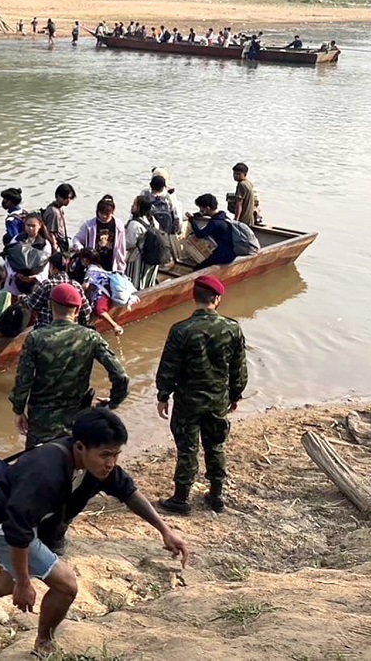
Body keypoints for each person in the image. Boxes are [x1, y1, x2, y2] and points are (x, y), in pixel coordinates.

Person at [0, 409, 189, 656]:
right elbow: (17, 529)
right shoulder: (45, 471)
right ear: (80, 447)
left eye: (116, 454)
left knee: (6, 582)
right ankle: (44, 642)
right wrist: (24, 583)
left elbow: (128, 492)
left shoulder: (96, 466)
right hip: (3, 525)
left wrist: (165, 531)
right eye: (105, 455)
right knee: (66, 585)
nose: (111, 463)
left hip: (29, 522)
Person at [156, 275, 247, 514]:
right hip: (217, 398)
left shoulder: (181, 330)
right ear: (216, 299)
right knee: (215, 445)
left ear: (193, 297)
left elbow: (168, 366)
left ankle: (181, 499)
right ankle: (216, 495)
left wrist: (163, 395)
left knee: (187, 448)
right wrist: (235, 394)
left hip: (188, 400)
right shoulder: (232, 328)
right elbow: (238, 367)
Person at [10, 283, 129, 451]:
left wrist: (18, 410)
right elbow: (121, 376)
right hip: (78, 422)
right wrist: (113, 403)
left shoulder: (35, 338)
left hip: (41, 422)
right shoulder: (91, 337)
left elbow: (23, 379)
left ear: (50, 305)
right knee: (74, 461)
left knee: (37, 462)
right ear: (78, 310)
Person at [26, 252, 90, 328]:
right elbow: (86, 311)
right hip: (71, 330)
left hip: (46, 330)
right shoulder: (76, 286)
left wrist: (23, 298)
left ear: (53, 267)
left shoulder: (47, 284)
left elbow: (32, 305)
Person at [73, 195, 126, 273]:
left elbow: (121, 249)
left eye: (107, 214)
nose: (104, 216)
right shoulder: (89, 226)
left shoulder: (118, 226)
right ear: (97, 212)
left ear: (112, 212)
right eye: (102, 213)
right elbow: (76, 239)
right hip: (93, 264)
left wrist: (121, 268)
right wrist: (81, 249)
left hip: (111, 264)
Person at [189, 193, 237, 268]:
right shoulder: (224, 217)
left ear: (207, 208)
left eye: (201, 208)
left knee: (198, 267)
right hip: (231, 253)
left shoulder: (215, 223)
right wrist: (200, 214)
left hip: (223, 256)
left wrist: (192, 220)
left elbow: (199, 234)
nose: (200, 210)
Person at [124, 195, 162, 290]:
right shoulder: (153, 220)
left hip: (138, 259)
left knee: (134, 280)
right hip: (151, 257)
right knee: (147, 280)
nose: (132, 206)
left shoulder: (134, 224)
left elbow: (128, 243)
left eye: (135, 204)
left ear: (141, 207)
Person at [41, 183, 76, 254]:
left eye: (70, 198)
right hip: (57, 244)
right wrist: (55, 247)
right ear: (58, 196)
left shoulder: (58, 208)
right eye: (65, 198)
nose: (68, 200)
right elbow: (50, 233)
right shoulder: (54, 212)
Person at [231, 163, 257, 227]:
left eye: (238, 174)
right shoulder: (249, 183)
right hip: (250, 219)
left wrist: (236, 219)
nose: (235, 176)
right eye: (234, 174)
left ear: (245, 174)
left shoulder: (241, 185)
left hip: (243, 220)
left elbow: (239, 204)